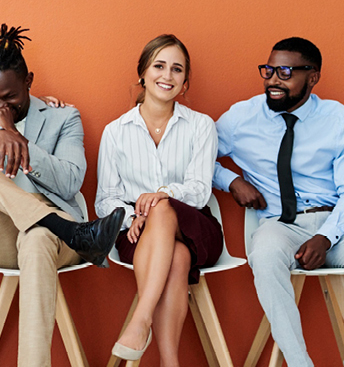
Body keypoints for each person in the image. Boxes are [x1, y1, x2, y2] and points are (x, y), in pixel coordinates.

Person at [0, 24, 125, 366]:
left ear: (28, 82)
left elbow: (71, 181)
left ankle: (52, 225)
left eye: (9, 98)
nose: (0, 105)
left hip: (50, 245)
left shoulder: (63, 116)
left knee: (39, 236)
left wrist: (19, 138)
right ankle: (65, 227)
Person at [215, 37, 344, 367]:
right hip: (280, 226)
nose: (273, 80)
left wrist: (326, 236)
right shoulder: (242, 118)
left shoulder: (336, 119)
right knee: (267, 254)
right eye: (269, 70)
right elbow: (195, 155)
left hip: (334, 224)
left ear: (312, 77)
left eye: (285, 72)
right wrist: (232, 181)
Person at [96, 35, 221, 364]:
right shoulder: (115, 132)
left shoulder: (201, 126)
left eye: (177, 69)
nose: (167, 76)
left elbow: (198, 189)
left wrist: (161, 198)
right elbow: (105, 199)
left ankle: (141, 319)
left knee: (164, 208)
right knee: (177, 258)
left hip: (195, 227)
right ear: (143, 73)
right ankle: (170, 362)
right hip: (137, 235)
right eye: (159, 66)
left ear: (185, 80)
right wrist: (131, 217)